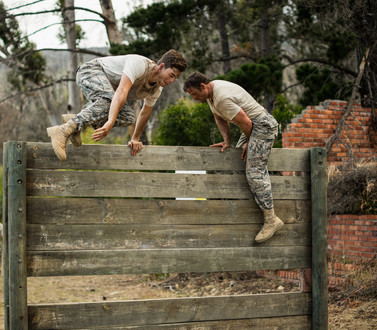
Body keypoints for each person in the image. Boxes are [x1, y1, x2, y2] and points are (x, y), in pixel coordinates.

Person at [183, 72, 284, 243]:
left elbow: (246, 123)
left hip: (263, 126)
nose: (194, 98)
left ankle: (271, 219)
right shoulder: (211, 94)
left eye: (194, 94)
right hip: (254, 124)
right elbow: (219, 117)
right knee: (239, 161)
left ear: (203, 86)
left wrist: (249, 143)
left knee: (254, 172)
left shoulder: (221, 97)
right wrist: (226, 141)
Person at [47, 49, 187, 161]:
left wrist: (135, 139)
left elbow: (145, 112)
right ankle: (62, 131)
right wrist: (110, 122)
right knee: (109, 99)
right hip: (90, 72)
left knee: (128, 116)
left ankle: (76, 120)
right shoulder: (139, 64)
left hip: (109, 94)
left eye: (175, 78)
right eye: (172, 75)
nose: (172, 80)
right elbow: (121, 92)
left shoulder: (157, 89)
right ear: (162, 66)